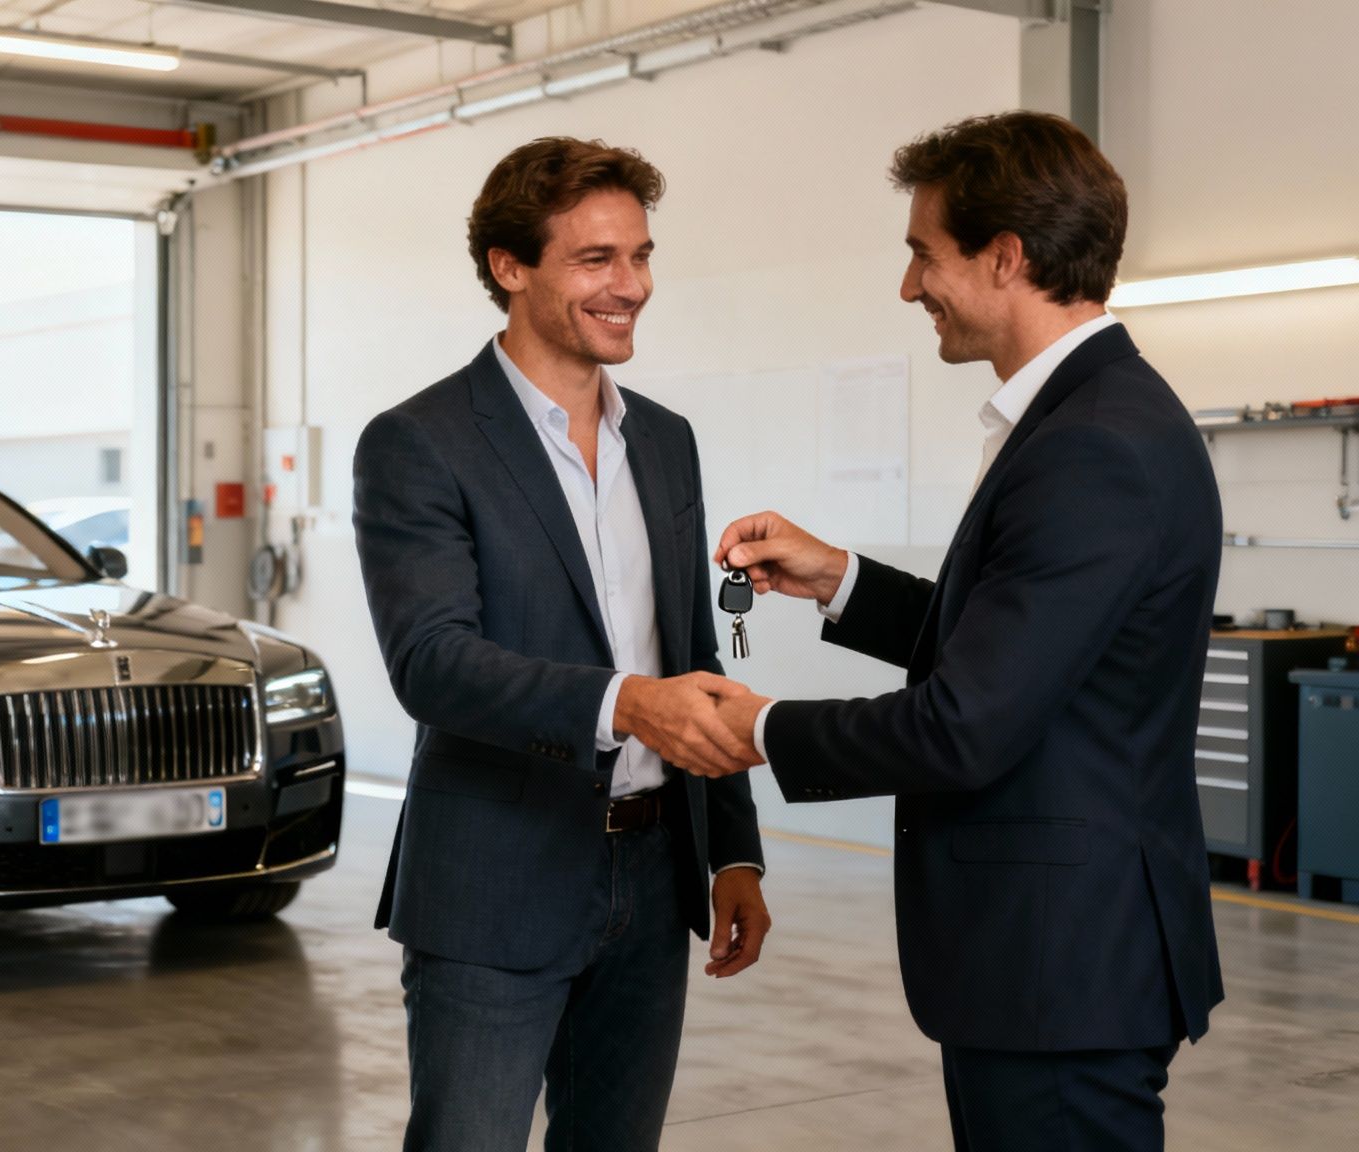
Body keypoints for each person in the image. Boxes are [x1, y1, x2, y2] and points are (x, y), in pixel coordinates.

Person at [695, 111, 1224, 1151]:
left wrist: (753, 727)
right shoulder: (1086, 417)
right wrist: (840, 579)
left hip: (1057, 967)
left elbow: (964, 726)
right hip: (1057, 961)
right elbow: (1018, 652)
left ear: (1004, 257)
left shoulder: (1091, 448)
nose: (907, 289)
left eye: (920, 255)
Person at [352, 136, 771, 1152]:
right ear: (510, 267)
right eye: (595, 260)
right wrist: (624, 704)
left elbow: (693, 659)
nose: (629, 285)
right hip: (495, 876)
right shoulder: (419, 442)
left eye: (638, 255)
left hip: (651, 867)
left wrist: (732, 853)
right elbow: (432, 663)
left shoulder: (662, 440)